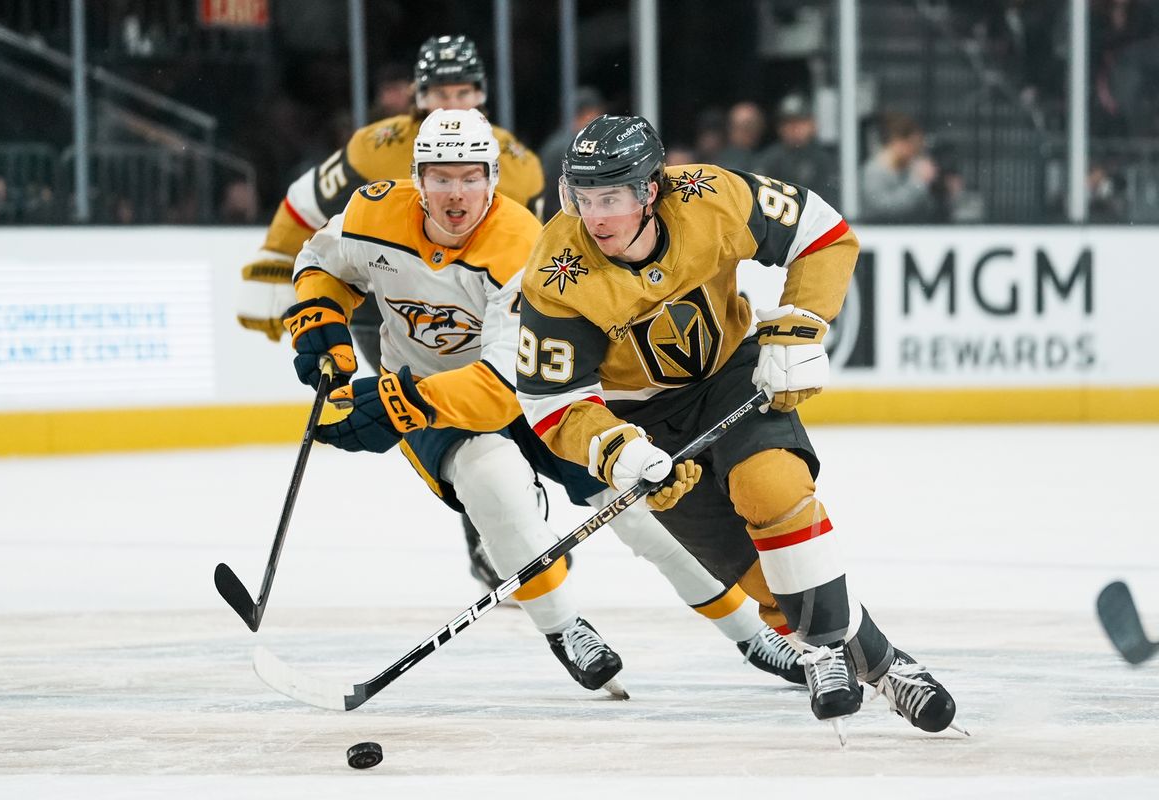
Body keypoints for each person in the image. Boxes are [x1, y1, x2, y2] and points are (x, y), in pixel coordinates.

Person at [281, 108, 808, 695]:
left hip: (533, 395)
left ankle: (751, 633)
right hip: (435, 403)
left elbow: (503, 384)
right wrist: (319, 316)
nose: (457, 195)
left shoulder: (525, 251)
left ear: (493, 177)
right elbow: (321, 261)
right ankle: (565, 629)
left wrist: (398, 404)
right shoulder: (371, 212)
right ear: (415, 177)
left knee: (641, 508)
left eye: (471, 177)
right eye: (440, 177)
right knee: (492, 480)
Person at [515, 114, 963, 738]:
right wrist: (613, 449)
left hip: (732, 377)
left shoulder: (710, 196)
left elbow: (822, 231)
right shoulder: (556, 273)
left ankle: (829, 652)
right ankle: (883, 666)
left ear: (650, 190)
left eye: (611, 198)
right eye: (582, 198)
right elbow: (550, 403)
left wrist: (802, 320)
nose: (595, 217)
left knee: (771, 490)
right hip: (643, 425)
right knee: (768, 586)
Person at [236, 34, 546, 593]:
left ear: (482, 94)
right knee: (427, 409)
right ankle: (487, 526)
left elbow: (545, 255)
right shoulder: (374, 146)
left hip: (481, 308)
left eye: (464, 91)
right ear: (415, 96)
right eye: (440, 92)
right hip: (391, 299)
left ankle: (512, 507)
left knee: (498, 400)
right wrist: (274, 259)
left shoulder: (515, 163)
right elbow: (305, 203)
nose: (452, 104)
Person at [754, 93, 839, 209]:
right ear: (779, 127)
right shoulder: (769, 160)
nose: (794, 128)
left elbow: (832, 200)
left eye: (800, 121)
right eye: (788, 122)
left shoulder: (825, 160)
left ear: (812, 124)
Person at [538, 86, 608, 220]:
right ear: (589, 113)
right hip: (568, 219)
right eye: (599, 114)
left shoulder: (556, 143)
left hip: (555, 219)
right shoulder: (575, 147)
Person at [859, 111, 938, 223]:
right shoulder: (874, 172)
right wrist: (918, 182)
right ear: (899, 142)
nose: (915, 152)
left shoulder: (908, 168)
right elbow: (882, 209)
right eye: (913, 146)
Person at [716, 101, 766, 174]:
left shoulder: (771, 157)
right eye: (742, 126)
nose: (748, 130)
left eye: (752, 125)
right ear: (730, 128)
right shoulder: (720, 162)